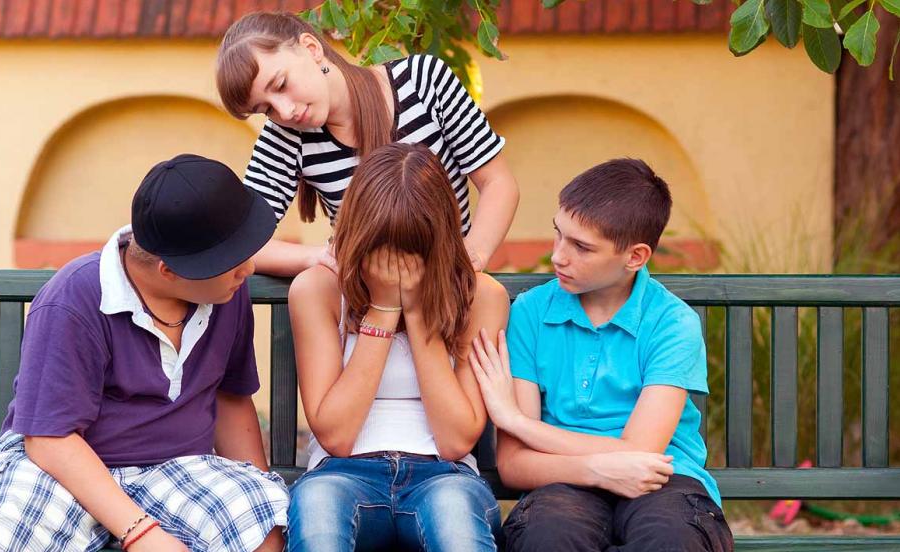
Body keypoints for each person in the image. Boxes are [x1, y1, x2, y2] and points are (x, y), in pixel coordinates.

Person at [0, 154, 289, 552]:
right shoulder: (74, 298)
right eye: (232, 260)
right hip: (61, 465)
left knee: (259, 522)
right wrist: (140, 532)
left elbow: (230, 398)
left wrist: (257, 495)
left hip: (177, 468)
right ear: (169, 272)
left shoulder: (225, 290)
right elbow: (49, 439)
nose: (248, 269)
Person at [469, 159, 734, 551]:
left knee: (673, 540)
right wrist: (594, 469)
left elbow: (641, 453)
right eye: (559, 234)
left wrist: (516, 422)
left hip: (661, 480)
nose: (559, 256)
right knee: (547, 538)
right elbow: (514, 465)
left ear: (635, 257)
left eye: (581, 247)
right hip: (562, 484)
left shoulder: (672, 322)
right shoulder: (530, 312)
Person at [285, 143, 508, 551]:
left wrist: (420, 311)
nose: (397, 270)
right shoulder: (318, 289)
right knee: (316, 509)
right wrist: (383, 309)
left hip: (445, 474)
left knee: (456, 520)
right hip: (342, 472)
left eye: (413, 256)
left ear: (438, 243)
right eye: (381, 255)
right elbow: (336, 435)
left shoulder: (480, 296)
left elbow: (456, 441)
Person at [216, 11, 519, 276]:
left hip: (449, 292)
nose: (284, 111)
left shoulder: (423, 81)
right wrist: (320, 257)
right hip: (370, 306)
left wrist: (469, 260)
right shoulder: (285, 135)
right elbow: (237, 241)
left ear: (311, 48)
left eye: (280, 84)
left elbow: (498, 183)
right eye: (265, 109)